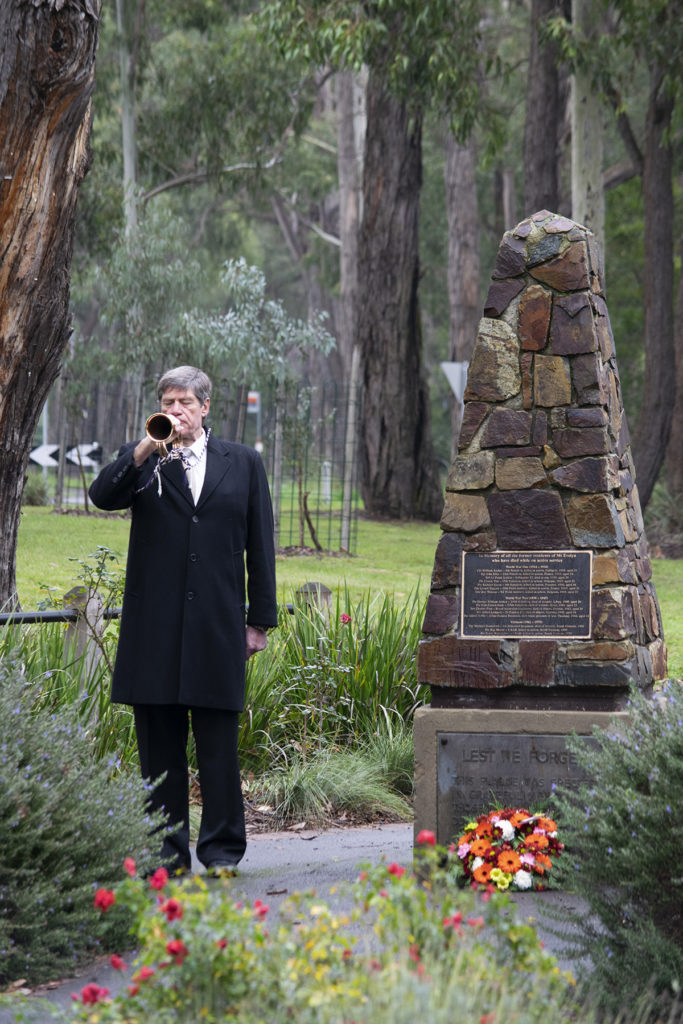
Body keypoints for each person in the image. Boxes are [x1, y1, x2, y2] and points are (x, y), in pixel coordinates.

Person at [89, 365, 277, 874]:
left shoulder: (243, 463)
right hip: (155, 632)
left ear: (205, 406)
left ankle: (220, 854)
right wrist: (148, 446)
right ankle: (165, 856)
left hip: (217, 627)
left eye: (184, 404)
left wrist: (258, 621)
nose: (175, 412)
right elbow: (101, 495)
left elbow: (260, 547)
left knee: (218, 750)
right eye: (168, 403)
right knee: (160, 754)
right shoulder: (146, 462)